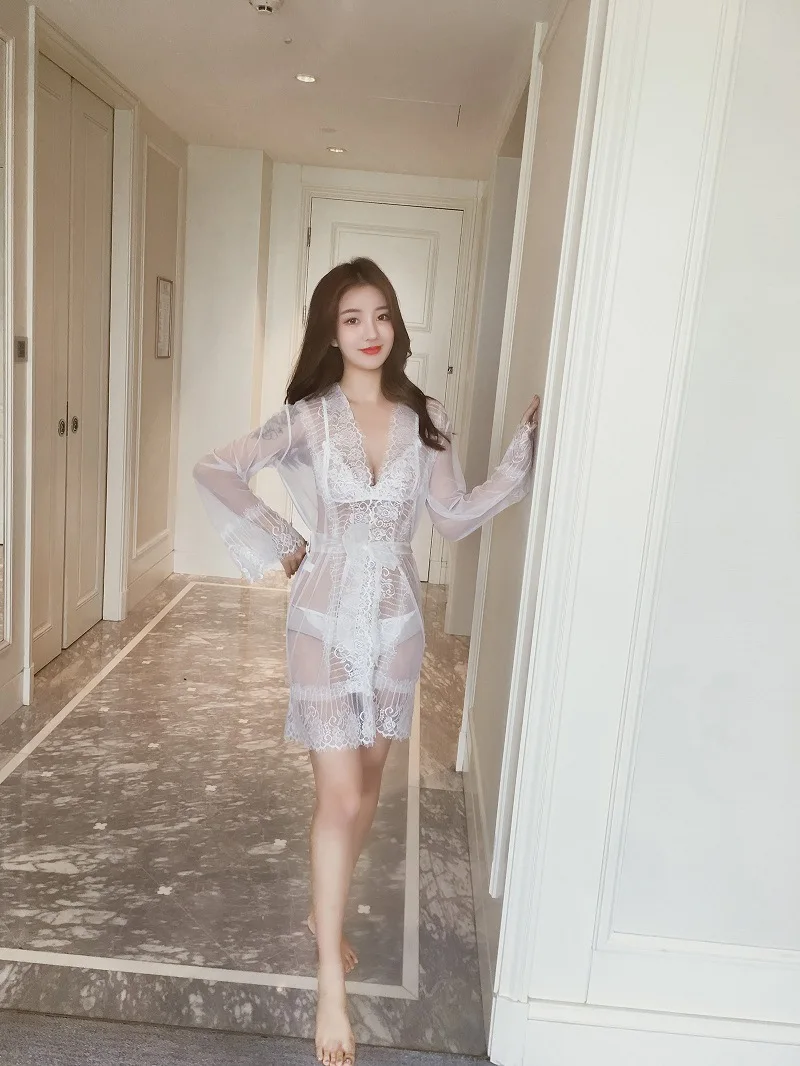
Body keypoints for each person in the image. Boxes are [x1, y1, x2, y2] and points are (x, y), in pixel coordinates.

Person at [193, 257, 540, 1066]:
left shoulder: (426, 416)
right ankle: (329, 982)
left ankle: (325, 913)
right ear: (331, 330)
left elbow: (451, 518)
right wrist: (286, 542)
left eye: (381, 314)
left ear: (396, 324)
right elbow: (217, 467)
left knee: (372, 780)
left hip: (398, 626)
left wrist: (521, 457)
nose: (371, 331)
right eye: (352, 318)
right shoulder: (308, 419)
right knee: (340, 794)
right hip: (321, 622)